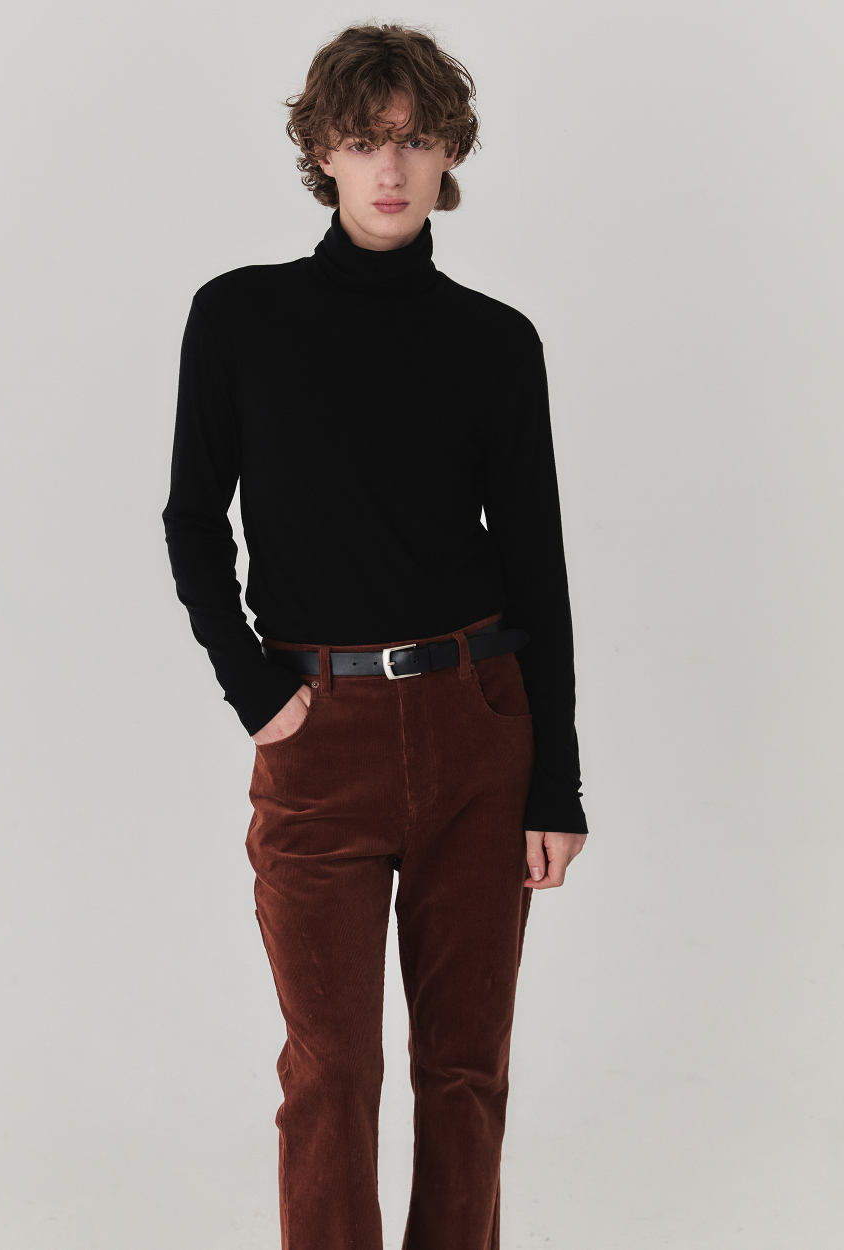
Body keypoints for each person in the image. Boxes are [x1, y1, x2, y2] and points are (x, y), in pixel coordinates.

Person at [162, 22, 588, 1250]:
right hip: (318, 732)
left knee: (464, 1068)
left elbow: (536, 566)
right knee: (331, 1068)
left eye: (412, 140)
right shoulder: (239, 317)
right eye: (362, 141)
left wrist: (553, 780)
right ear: (322, 154)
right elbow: (193, 520)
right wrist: (256, 690)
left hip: (476, 728)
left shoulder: (494, 341)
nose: (389, 167)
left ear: (449, 151)